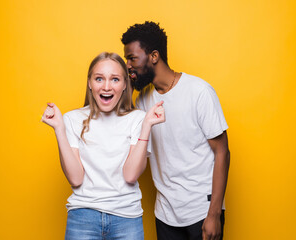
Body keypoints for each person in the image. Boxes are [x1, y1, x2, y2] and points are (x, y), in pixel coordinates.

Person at [121, 22, 230, 240]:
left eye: (132, 58)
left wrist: (214, 214)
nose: (128, 65)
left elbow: (222, 153)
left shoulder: (199, 92)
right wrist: (129, 87)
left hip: (201, 211)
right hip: (165, 214)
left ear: (153, 56)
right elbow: (124, 135)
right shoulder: (143, 99)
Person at [41, 52, 165, 240]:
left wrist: (147, 126)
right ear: (90, 83)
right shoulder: (72, 119)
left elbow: (130, 176)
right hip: (83, 216)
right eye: (99, 78)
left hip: (126, 218)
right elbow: (75, 179)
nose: (106, 87)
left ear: (125, 85)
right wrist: (59, 129)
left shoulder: (138, 119)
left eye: (115, 79)